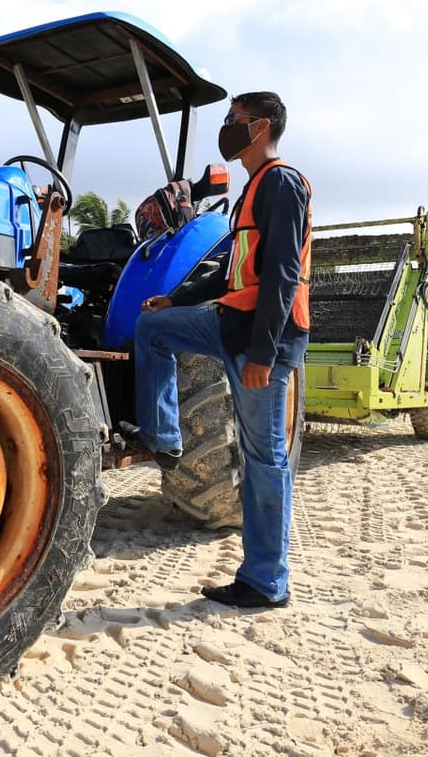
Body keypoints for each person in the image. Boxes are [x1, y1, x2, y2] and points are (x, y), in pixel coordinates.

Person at [120, 91, 312, 609]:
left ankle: (266, 582)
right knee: (152, 327)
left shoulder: (281, 182)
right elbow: (231, 270)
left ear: (262, 126)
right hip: (229, 323)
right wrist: (175, 299)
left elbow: (282, 275)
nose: (226, 127)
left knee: (264, 458)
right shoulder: (253, 189)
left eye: (235, 119)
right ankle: (165, 438)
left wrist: (262, 357)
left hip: (263, 337)